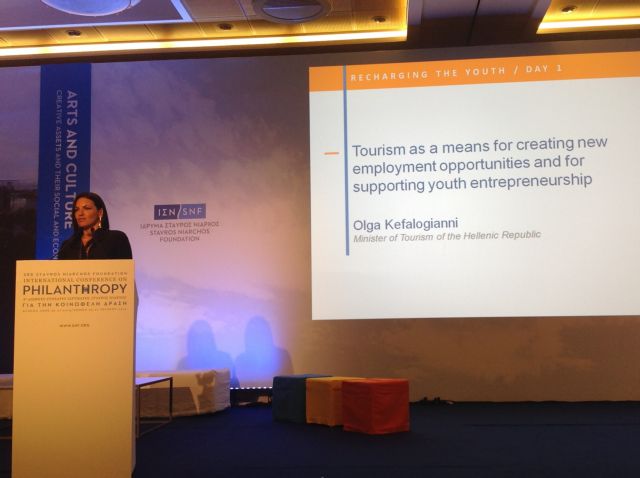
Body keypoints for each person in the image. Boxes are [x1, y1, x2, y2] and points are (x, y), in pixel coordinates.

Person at [57, 192, 132, 260]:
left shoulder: (117, 238)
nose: (80, 213)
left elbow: (125, 269)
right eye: (76, 209)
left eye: (86, 208)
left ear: (100, 212)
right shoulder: (67, 245)